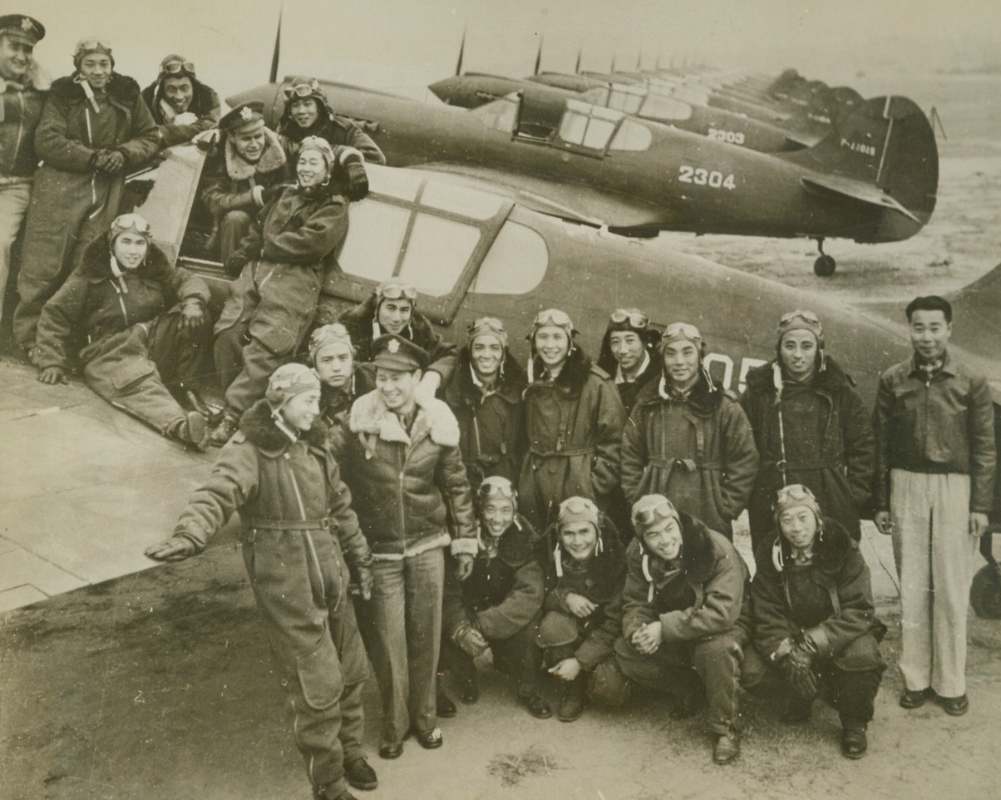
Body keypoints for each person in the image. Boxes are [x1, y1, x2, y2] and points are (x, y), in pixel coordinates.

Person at [145, 364, 377, 800]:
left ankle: (351, 751)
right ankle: (328, 783)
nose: (316, 408)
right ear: (281, 403)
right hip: (286, 581)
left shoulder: (316, 444)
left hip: (331, 571)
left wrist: (360, 557)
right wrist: (190, 533)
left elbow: (340, 507)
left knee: (351, 667)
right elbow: (217, 493)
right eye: (308, 401)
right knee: (318, 683)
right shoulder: (249, 448)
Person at [337, 333, 478, 759]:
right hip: (380, 552)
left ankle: (426, 721)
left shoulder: (438, 421)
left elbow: (455, 485)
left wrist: (466, 540)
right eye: (382, 376)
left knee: (425, 637)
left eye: (399, 377)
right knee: (388, 642)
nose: (389, 386)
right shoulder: (358, 419)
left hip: (427, 545)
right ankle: (394, 726)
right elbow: (336, 481)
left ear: (417, 378)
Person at [873, 295, 996, 716]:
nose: (927, 336)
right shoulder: (893, 379)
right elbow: (882, 445)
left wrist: (980, 505)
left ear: (949, 329)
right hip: (906, 484)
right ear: (909, 329)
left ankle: (950, 683)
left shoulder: (971, 380)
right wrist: (881, 500)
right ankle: (916, 678)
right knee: (913, 586)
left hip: (954, 487)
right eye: (919, 328)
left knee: (949, 586)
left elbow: (984, 447)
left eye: (935, 327)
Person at [13, 38, 160, 359]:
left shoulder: (127, 95)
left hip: (107, 190)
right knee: (45, 263)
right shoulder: (63, 94)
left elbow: (150, 136)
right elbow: (47, 139)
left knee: (85, 264)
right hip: (59, 188)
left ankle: (66, 344)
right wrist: (91, 158)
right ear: (79, 66)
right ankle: (30, 340)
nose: (97, 71)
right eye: (89, 64)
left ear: (112, 66)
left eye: (103, 64)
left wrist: (123, 153)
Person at [209, 135, 349, 446]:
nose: (306, 168)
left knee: (269, 343)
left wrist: (267, 247)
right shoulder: (285, 195)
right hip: (259, 270)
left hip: (296, 278)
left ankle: (233, 415)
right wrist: (245, 254)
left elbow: (312, 243)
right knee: (228, 330)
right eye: (303, 161)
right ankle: (239, 405)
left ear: (327, 170)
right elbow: (259, 228)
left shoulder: (334, 205)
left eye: (314, 162)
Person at [32, 213, 210, 449]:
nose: (133, 251)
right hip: (110, 351)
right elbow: (55, 315)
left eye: (140, 243)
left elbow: (187, 279)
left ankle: (186, 387)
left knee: (195, 315)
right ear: (112, 243)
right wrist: (52, 361)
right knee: (133, 382)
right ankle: (179, 425)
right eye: (126, 242)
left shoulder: (155, 269)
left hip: (150, 337)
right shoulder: (89, 276)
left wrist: (194, 302)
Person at [742, 484, 885, 760]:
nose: (796, 528)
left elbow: (858, 609)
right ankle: (801, 694)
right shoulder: (770, 554)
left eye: (803, 517)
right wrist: (786, 652)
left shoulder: (843, 548)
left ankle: (854, 722)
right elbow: (766, 611)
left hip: (836, 635)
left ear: (817, 518)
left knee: (863, 655)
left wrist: (810, 644)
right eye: (787, 520)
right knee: (752, 670)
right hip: (793, 636)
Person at [613, 495, 747, 765]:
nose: (665, 540)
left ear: (679, 525)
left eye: (669, 529)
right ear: (643, 539)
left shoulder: (713, 545)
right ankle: (689, 689)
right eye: (653, 535)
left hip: (725, 624)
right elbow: (635, 601)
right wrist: (638, 630)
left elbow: (722, 612)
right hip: (679, 625)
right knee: (625, 650)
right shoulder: (637, 554)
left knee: (715, 650)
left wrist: (663, 628)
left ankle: (726, 728)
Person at [740, 310, 874, 550]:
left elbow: (863, 446)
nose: (798, 355)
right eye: (790, 346)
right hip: (774, 493)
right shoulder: (758, 393)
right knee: (776, 569)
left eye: (806, 346)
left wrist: (851, 495)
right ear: (779, 350)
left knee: (833, 564)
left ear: (819, 349)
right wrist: (756, 494)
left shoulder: (840, 391)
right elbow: (741, 447)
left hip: (830, 496)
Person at [620, 322, 758, 540]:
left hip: (707, 509)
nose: (679, 362)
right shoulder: (647, 404)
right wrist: (638, 497)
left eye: (687, 352)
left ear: (700, 355)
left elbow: (745, 459)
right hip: (657, 502)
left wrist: (725, 507)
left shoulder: (723, 405)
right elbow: (629, 454)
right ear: (663, 358)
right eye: (671, 353)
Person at [441, 476, 549, 718]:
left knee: (531, 632)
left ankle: (527, 688)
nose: (497, 519)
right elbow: (449, 591)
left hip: (502, 614)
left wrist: (485, 624)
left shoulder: (526, 537)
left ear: (515, 510)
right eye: (490, 509)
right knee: (441, 629)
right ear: (480, 509)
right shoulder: (462, 538)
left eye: (505, 510)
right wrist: (461, 627)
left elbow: (529, 593)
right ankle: (464, 676)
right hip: (468, 613)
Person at [517, 308, 626, 530]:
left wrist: (591, 486)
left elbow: (616, 442)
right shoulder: (532, 382)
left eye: (557, 337)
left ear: (570, 343)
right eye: (543, 337)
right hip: (535, 483)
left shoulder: (596, 384)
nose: (550, 345)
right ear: (534, 342)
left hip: (578, 484)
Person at [536, 496, 626, 722]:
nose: (577, 541)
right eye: (569, 533)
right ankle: (573, 688)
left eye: (585, 532)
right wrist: (565, 598)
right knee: (552, 626)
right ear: (559, 534)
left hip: (606, 636)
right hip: (574, 629)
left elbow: (616, 622)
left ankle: (589, 673)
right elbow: (539, 595)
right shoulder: (548, 552)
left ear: (597, 531)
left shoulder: (616, 559)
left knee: (609, 690)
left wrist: (581, 661)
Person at [0, 14, 46, 332]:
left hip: (16, 185)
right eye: (13, 46)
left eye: (27, 49)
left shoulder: (43, 90)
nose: (21, 55)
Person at [200, 102, 290, 263]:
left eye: (258, 136)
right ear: (233, 138)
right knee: (235, 219)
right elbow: (213, 200)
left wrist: (349, 157)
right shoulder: (219, 158)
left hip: (274, 221)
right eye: (246, 139)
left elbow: (311, 148)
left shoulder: (279, 146)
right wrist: (255, 196)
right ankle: (231, 274)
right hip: (239, 228)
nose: (254, 144)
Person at [443, 316, 527, 489]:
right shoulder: (452, 391)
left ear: (503, 352)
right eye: (479, 347)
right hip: (462, 484)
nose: (486, 355)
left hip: (503, 487)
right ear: (470, 351)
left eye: (494, 348)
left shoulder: (518, 392)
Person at [337, 279, 458, 398]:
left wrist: (432, 378)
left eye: (404, 310)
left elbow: (449, 355)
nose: (397, 318)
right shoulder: (351, 327)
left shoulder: (420, 330)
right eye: (391, 308)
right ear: (377, 308)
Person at [277, 76, 385, 165]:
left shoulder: (344, 129)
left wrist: (330, 153)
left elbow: (376, 158)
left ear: (319, 107)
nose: (301, 111)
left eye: (307, 104)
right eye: (295, 105)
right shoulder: (286, 129)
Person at [308, 322, 374, 454]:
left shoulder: (373, 379)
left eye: (343, 358)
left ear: (352, 359)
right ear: (314, 365)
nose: (336, 367)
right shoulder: (307, 389)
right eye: (327, 360)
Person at [140, 54, 220, 148]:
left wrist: (168, 132)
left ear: (193, 87)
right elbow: (142, 133)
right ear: (162, 91)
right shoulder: (146, 101)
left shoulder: (207, 96)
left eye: (184, 88)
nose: (179, 97)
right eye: (171, 89)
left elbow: (211, 123)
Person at [596, 308, 662, 415]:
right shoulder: (602, 377)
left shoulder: (662, 377)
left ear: (644, 342)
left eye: (630, 340)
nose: (622, 350)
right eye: (615, 342)